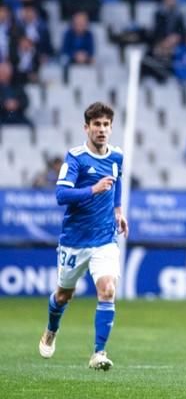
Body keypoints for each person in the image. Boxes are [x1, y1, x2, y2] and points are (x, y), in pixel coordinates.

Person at [38, 102, 128, 371]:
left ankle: (99, 353)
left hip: (104, 239)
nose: (101, 130)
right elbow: (61, 195)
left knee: (107, 289)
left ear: (111, 128)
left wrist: (118, 210)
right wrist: (94, 190)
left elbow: (117, 180)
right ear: (86, 127)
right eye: (97, 124)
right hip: (74, 240)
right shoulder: (76, 158)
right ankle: (51, 330)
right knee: (64, 295)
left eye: (106, 125)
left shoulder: (116, 156)